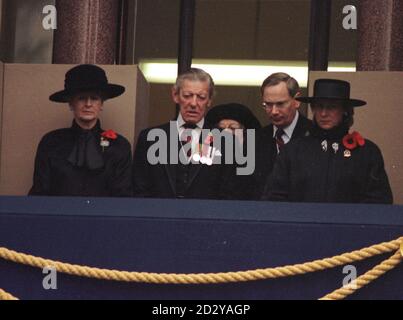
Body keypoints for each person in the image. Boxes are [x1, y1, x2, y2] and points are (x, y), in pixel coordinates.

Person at [263, 78, 393, 204]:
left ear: (345, 110)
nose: (324, 113)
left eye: (331, 107)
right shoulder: (292, 150)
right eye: (319, 107)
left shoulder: (366, 152)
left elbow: (378, 202)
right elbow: (274, 199)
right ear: (313, 109)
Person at [132, 68, 240, 199]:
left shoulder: (226, 141)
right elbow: (139, 190)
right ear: (175, 95)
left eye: (201, 97)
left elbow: (228, 194)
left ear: (210, 100)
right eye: (187, 95)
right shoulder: (149, 138)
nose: (193, 103)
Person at [29, 64, 133, 197]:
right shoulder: (51, 142)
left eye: (94, 98)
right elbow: (40, 192)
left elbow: (123, 197)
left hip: (104, 217)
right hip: (58, 216)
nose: (88, 104)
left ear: (101, 104)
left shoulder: (119, 145)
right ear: (71, 104)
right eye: (81, 98)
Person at [254, 72, 312, 199]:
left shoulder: (314, 136)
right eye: (268, 105)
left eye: (280, 104)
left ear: (296, 101)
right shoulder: (255, 140)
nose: (274, 111)